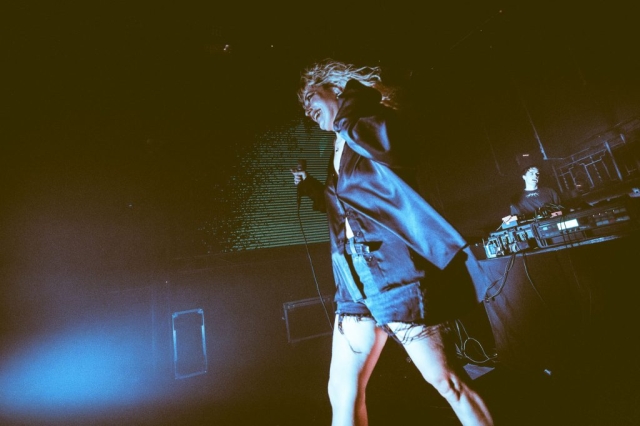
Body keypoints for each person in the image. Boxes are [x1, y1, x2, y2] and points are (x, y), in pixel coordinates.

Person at [291, 59, 494, 426]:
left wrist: (351, 104)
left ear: (335, 89)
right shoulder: (341, 144)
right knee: (342, 390)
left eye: (310, 97)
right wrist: (308, 185)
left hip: (392, 272)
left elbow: (393, 149)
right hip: (351, 278)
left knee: (445, 381)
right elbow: (347, 204)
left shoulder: (371, 123)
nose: (306, 110)